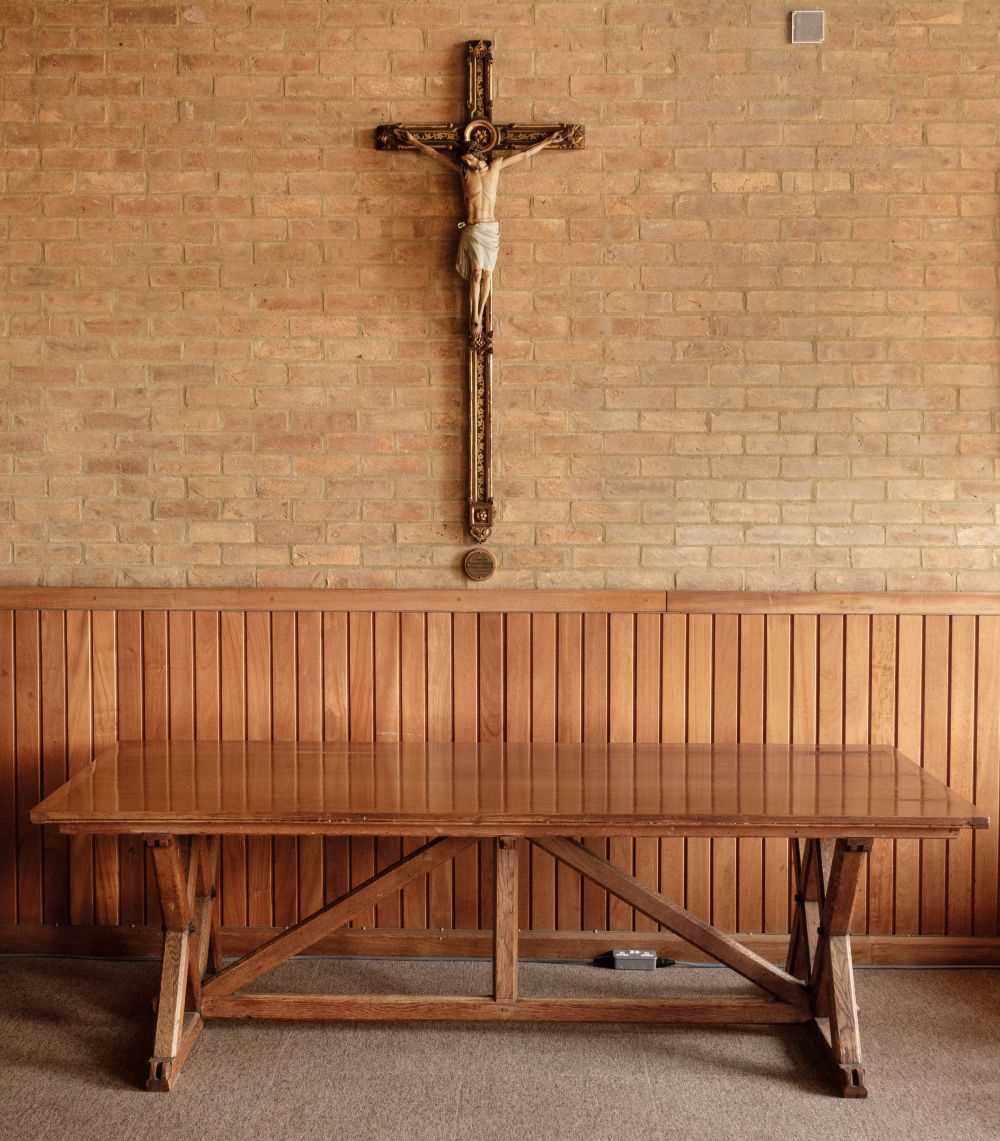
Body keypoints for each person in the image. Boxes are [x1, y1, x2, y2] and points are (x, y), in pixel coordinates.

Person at [396, 127, 568, 331]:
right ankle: (475, 315)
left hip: (490, 229)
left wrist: (548, 141)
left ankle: (480, 311)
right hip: (474, 229)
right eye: (464, 161)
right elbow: (435, 155)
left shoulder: (496, 166)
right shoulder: (463, 173)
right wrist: (414, 141)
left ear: (478, 155)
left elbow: (525, 155)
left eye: (469, 159)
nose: (466, 163)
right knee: (476, 273)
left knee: (487, 274)